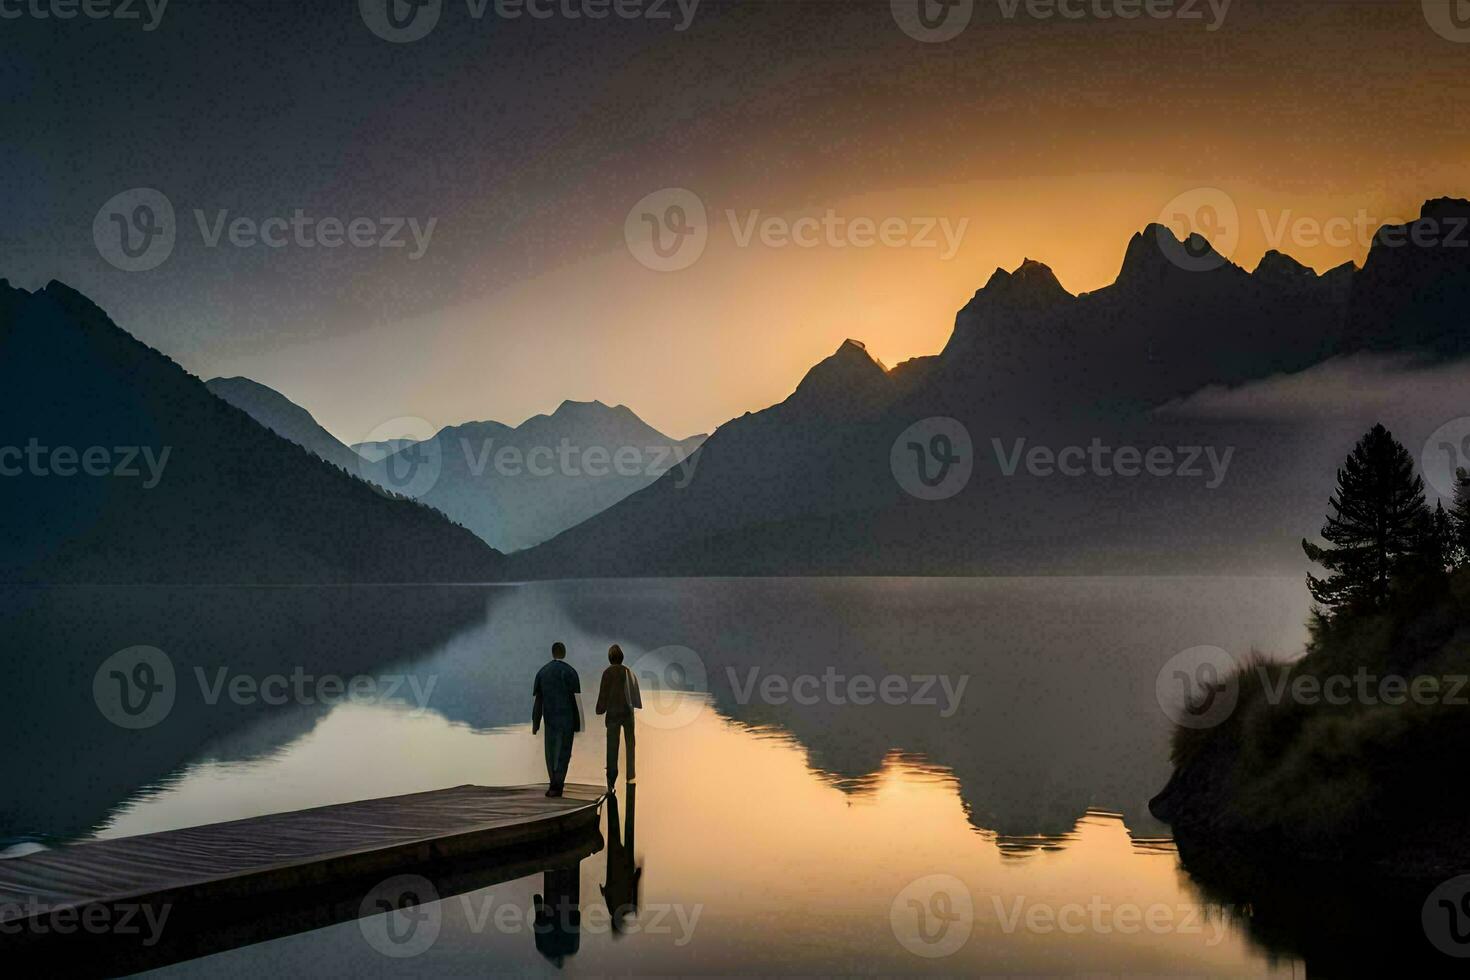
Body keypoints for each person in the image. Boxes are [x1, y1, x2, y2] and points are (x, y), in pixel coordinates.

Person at [532, 642, 581, 797]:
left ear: (552, 653)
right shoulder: (571, 672)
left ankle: (552, 782)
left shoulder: (542, 672)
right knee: (564, 752)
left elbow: (538, 701)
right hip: (567, 718)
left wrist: (535, 722)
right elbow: (575, 701)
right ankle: (558, 785)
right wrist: (578, 723)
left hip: (550, 718)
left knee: (550, 751)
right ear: (564, 653)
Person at [595, 644, 641, 791]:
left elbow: (603, 695)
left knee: (612, 748)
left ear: (610, 658)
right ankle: (630, 775)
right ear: (622, 658)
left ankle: (611, 780)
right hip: (628, 715)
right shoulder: (629, 672)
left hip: (613, 715)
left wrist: (599, 709)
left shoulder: (607, 673)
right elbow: (635, 697)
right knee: (630, 745)